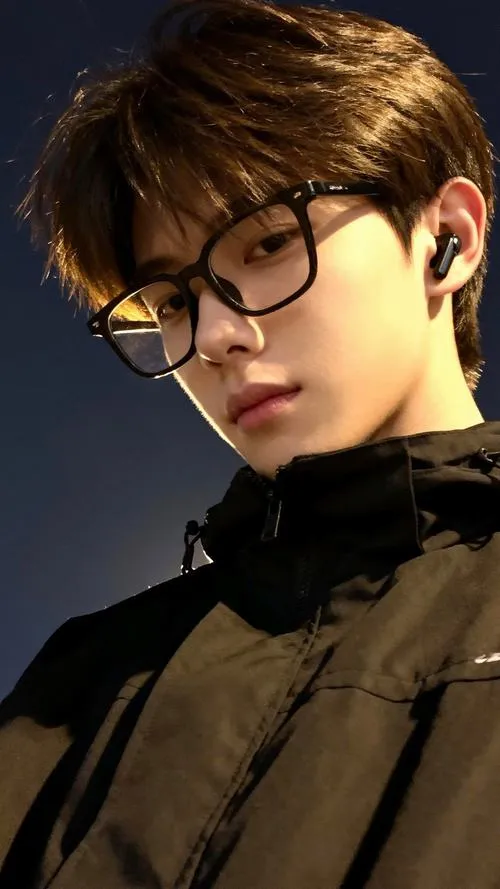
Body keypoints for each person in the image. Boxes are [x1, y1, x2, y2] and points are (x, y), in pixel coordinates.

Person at [1, 0, 499, 885]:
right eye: (173, 302)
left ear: (447, 240)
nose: (217, 336)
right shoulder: (77, 686)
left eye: (268, 243)